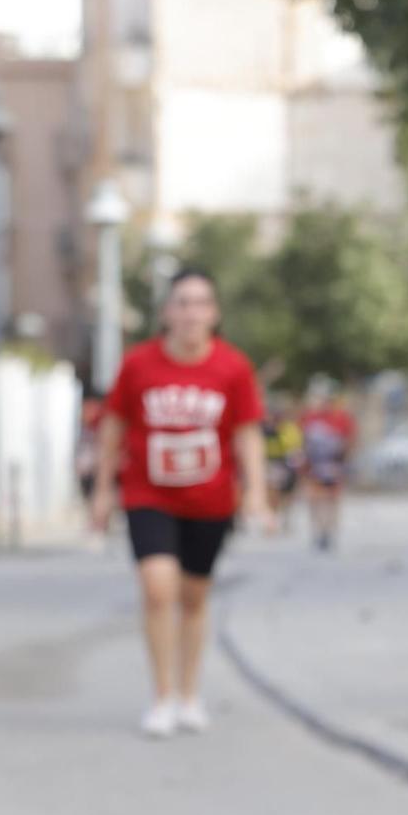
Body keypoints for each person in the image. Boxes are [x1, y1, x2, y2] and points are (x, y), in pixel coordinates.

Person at [90, 268, 272, 738]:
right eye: (182, 302)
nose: (191, 312)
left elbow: (246, 432)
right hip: (149, 494)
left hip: (210, 500)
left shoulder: (232, 368)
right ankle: (162, 695)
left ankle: (190, 694)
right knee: (157, 588)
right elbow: (113, 428)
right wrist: (103, 490)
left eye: (200, 303)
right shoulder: (139, 365)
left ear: (215, 313)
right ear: (166, 312)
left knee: (193, 598)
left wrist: (255, 491)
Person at [296, 386, 355, 552]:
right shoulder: (309, 417)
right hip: (314, 465)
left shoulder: (342, 418)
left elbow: (349, 441)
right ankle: (318, 530)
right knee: (315, 499)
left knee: (332, 500)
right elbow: (300, 440)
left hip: (334, 465)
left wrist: (344, 463)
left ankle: (329, 530)